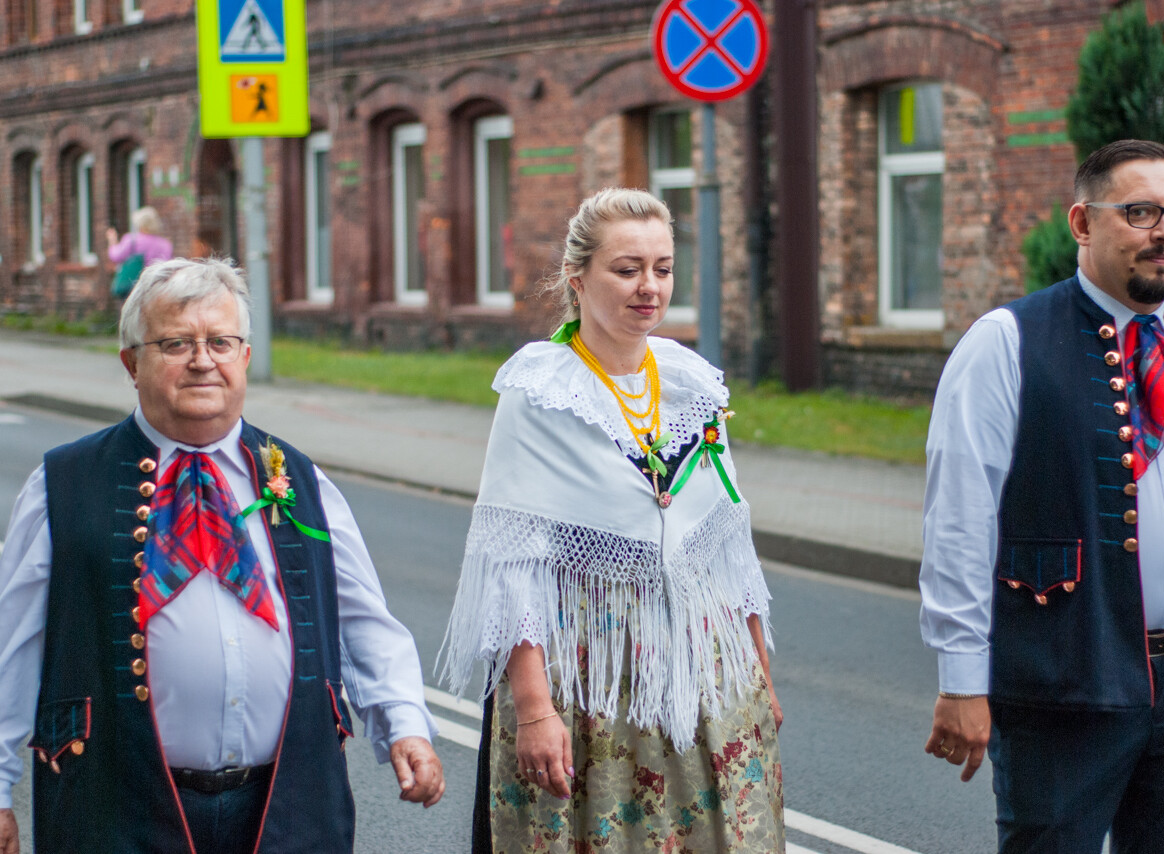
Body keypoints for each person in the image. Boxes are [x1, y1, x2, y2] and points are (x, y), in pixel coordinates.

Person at [0, 258, 444, 853]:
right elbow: (13, 648)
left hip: (286, 808)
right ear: (132, 363)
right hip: (116, 812)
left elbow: (363, 621)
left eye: (221, 341)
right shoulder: (64, 482)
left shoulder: (300, 478)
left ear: (246, 358)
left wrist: (405, 725)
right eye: (176, 342)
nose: (203, 359)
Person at [439, 188, 784, 852]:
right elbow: (515, 565)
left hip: (705, 672)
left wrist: (759, 675)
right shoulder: (541, 394)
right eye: (626, 269)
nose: (648, 287)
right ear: (578, 278)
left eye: (661, 268)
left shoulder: (691, 385)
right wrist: (536, 711)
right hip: (590, 681)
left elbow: (728, 546)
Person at [920, 139, 1164, 853]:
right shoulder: (1005, 342)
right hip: (1064, 680)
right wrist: (961, 680)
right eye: (1139, 212)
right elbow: (959, 520)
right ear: (1082, 223)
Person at [106, 205, 175, 267]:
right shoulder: (165, 244)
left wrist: (112, 240)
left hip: (136, 280)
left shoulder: (132, 240)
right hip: (157, 280)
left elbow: (116, 256)